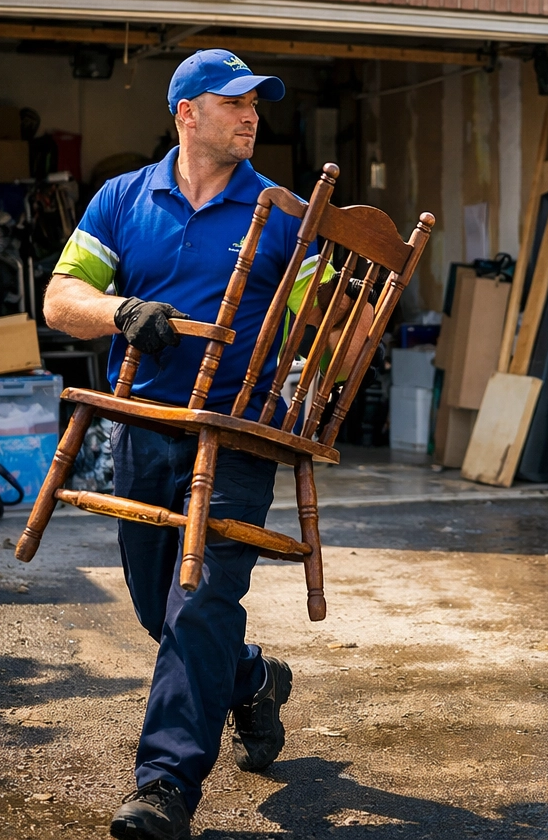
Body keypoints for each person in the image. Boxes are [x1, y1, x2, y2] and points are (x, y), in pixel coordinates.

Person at [45, 49, 331, 840]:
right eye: (234, 102)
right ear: (187, 114)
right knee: (157, 609)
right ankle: (253, 678)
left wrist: (315, 363)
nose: (252, 116)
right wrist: (120, 312)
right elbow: (60, 298)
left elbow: (323, 321)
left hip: (236, 438)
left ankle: (165, 785)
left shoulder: (281, 210)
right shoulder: (122, 199)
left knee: (200, 602)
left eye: (256, 105)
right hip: (142, 428)